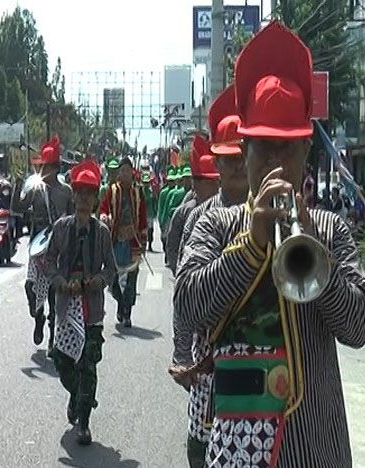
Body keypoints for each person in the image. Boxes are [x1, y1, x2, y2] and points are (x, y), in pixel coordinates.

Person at [174, 22, 365, 467]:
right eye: (264, 148)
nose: (276, 163)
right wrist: (251, 246)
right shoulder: (215, 225)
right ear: (244, 149)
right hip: (237, 448)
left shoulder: (330, 229)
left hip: (315, 449)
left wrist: (318, 255)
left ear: (307, 152)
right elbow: (188, 306)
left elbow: (359, 329)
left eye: (289, 149)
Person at [169, 83, 249, 468]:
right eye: (227, 159)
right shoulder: (199, 218)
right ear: (216, 163)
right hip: (208, 354)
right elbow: (184, 294)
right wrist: (181, 352)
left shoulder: (276, 215)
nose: (236, 166)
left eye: (242, 156)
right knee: (200, 446)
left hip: (257, 364)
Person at [45, 159, 117, 446]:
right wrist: (60, 282)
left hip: (91, 311)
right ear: (73, 196)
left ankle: (84, 422)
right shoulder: (61, 228)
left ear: (96, 198)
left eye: (90, 193)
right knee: (62, 361)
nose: (85, 198)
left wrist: (95, 282)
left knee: (88, 365)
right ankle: (77, 395)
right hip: (65, 308)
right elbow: (48, 261)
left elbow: (110, 270)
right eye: (80, 192)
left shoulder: (102, 233)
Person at [12, 135, 73, 349]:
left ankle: (52, 338)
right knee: (30, 286)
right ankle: (37, 316)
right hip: (37, 247)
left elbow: (73, 220)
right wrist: (17, 184)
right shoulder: (36, 189)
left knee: (54, 294)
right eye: (41, 167)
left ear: (56, 168)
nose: (43, 170)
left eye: (47, 166)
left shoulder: (66, 192)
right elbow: (17, 208)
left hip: (58, 249)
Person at [99, 155, 147, 327]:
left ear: (132, 172)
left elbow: (143, 216)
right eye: (122, 171)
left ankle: (127, 314)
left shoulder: (138, 192)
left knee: (132, 279)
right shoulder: (112, 191)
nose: (125, 173)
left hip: (133, 241)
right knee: (113, 278)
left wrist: (144, 239)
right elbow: (103, 209)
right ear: (119, 173)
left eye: (128, 170)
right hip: (116, 240)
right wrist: (105, 216)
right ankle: (120, 303)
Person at [166, 135, 220, 275]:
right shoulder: (185, 212)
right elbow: (173, 247)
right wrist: (180, 274)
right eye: (207, 181)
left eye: (215, 181)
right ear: (195, 183)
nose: (214, 186)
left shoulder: (227, 211)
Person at [142, 170, 159, 252]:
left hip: (150, 214)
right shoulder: (140, 192)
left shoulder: (151, 192)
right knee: (143, 231)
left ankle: (150, 245)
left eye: (147, 182)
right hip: (142, 215)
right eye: (145, 182)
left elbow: (155, 202)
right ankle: (143, 245)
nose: (146, 184)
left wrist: (155, 211)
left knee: (150, 231)